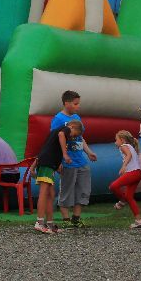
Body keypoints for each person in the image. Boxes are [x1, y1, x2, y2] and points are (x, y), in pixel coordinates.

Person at [51, 90, 98, 227]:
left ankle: (76, 218)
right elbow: (54, 139)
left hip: (81, 161)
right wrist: (59, 160)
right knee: (66, 189)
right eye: (75, 104)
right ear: (67, 103)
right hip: (68, 162)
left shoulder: (77, 117)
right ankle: (66, 220)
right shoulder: (58, 119)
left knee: (83, 189)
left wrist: (88, 152)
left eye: (78, 104)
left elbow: (80, 137)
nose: (78, 106)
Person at [30, 119, 84, 234]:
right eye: (75, 135)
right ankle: (39, 222)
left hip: (49, 163)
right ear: (72, 127)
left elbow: (45, 148)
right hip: (47, 163)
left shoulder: (56, 132)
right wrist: (65, 154)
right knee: (44, 192)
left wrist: (33, 166)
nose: (73, 138)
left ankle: (50, 224)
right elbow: (61, 135)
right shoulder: (64, 129)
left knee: (51, 194)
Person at [109, 130, 141, 229]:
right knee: (129, 196)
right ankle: (139, 221)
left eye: (116, 140)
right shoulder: (130, 146)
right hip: (138, 173)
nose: (115, 142)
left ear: (122, 140)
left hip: (133, 173)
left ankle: (122, 201)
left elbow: (129, 155)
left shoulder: (123, 146)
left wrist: (124, 166)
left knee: (113, 186)